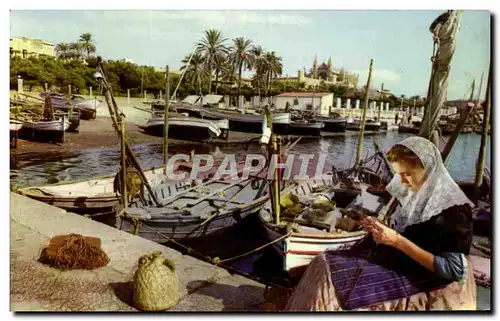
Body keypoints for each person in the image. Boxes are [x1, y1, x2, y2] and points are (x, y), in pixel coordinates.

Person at [283, 136, 477, 311]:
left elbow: (454, 270)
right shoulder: (418, 196)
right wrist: (378, 227)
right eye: (399, 175)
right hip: (404, 261)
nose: (403, 181)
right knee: (323, 261)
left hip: (427, 276)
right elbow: (412, 234)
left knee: (330, 276)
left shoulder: (455, 210)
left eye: (408, 174)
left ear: (430, 171)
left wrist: (396, 241)